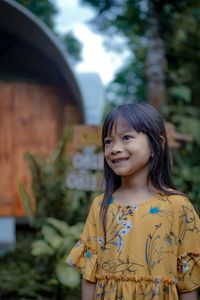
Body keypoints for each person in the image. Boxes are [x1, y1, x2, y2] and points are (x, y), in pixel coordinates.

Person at [66, 103, 200, 300]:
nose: (114, 148)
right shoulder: (101, 206)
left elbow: (188, 282)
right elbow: (90, 277)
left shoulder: (178, 206)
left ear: (157, 145)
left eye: (126, 137)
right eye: (108, 141)